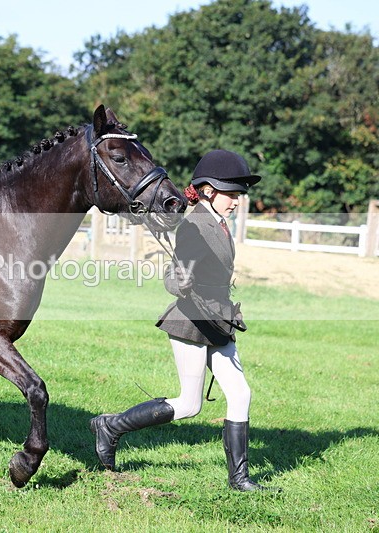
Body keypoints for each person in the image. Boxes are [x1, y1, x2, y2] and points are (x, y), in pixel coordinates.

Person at [90, 149, 278, 492]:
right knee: (189, 404)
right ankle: (111, 426)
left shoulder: (218, 223)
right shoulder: (194, 224)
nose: (237, 201)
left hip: (219, 320)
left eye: (239, 195)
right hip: (191, 320)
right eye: (231, 194)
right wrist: (181, 281)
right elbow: (173, 278)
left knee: (240, 394)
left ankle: (240, 480)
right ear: (207, 190)